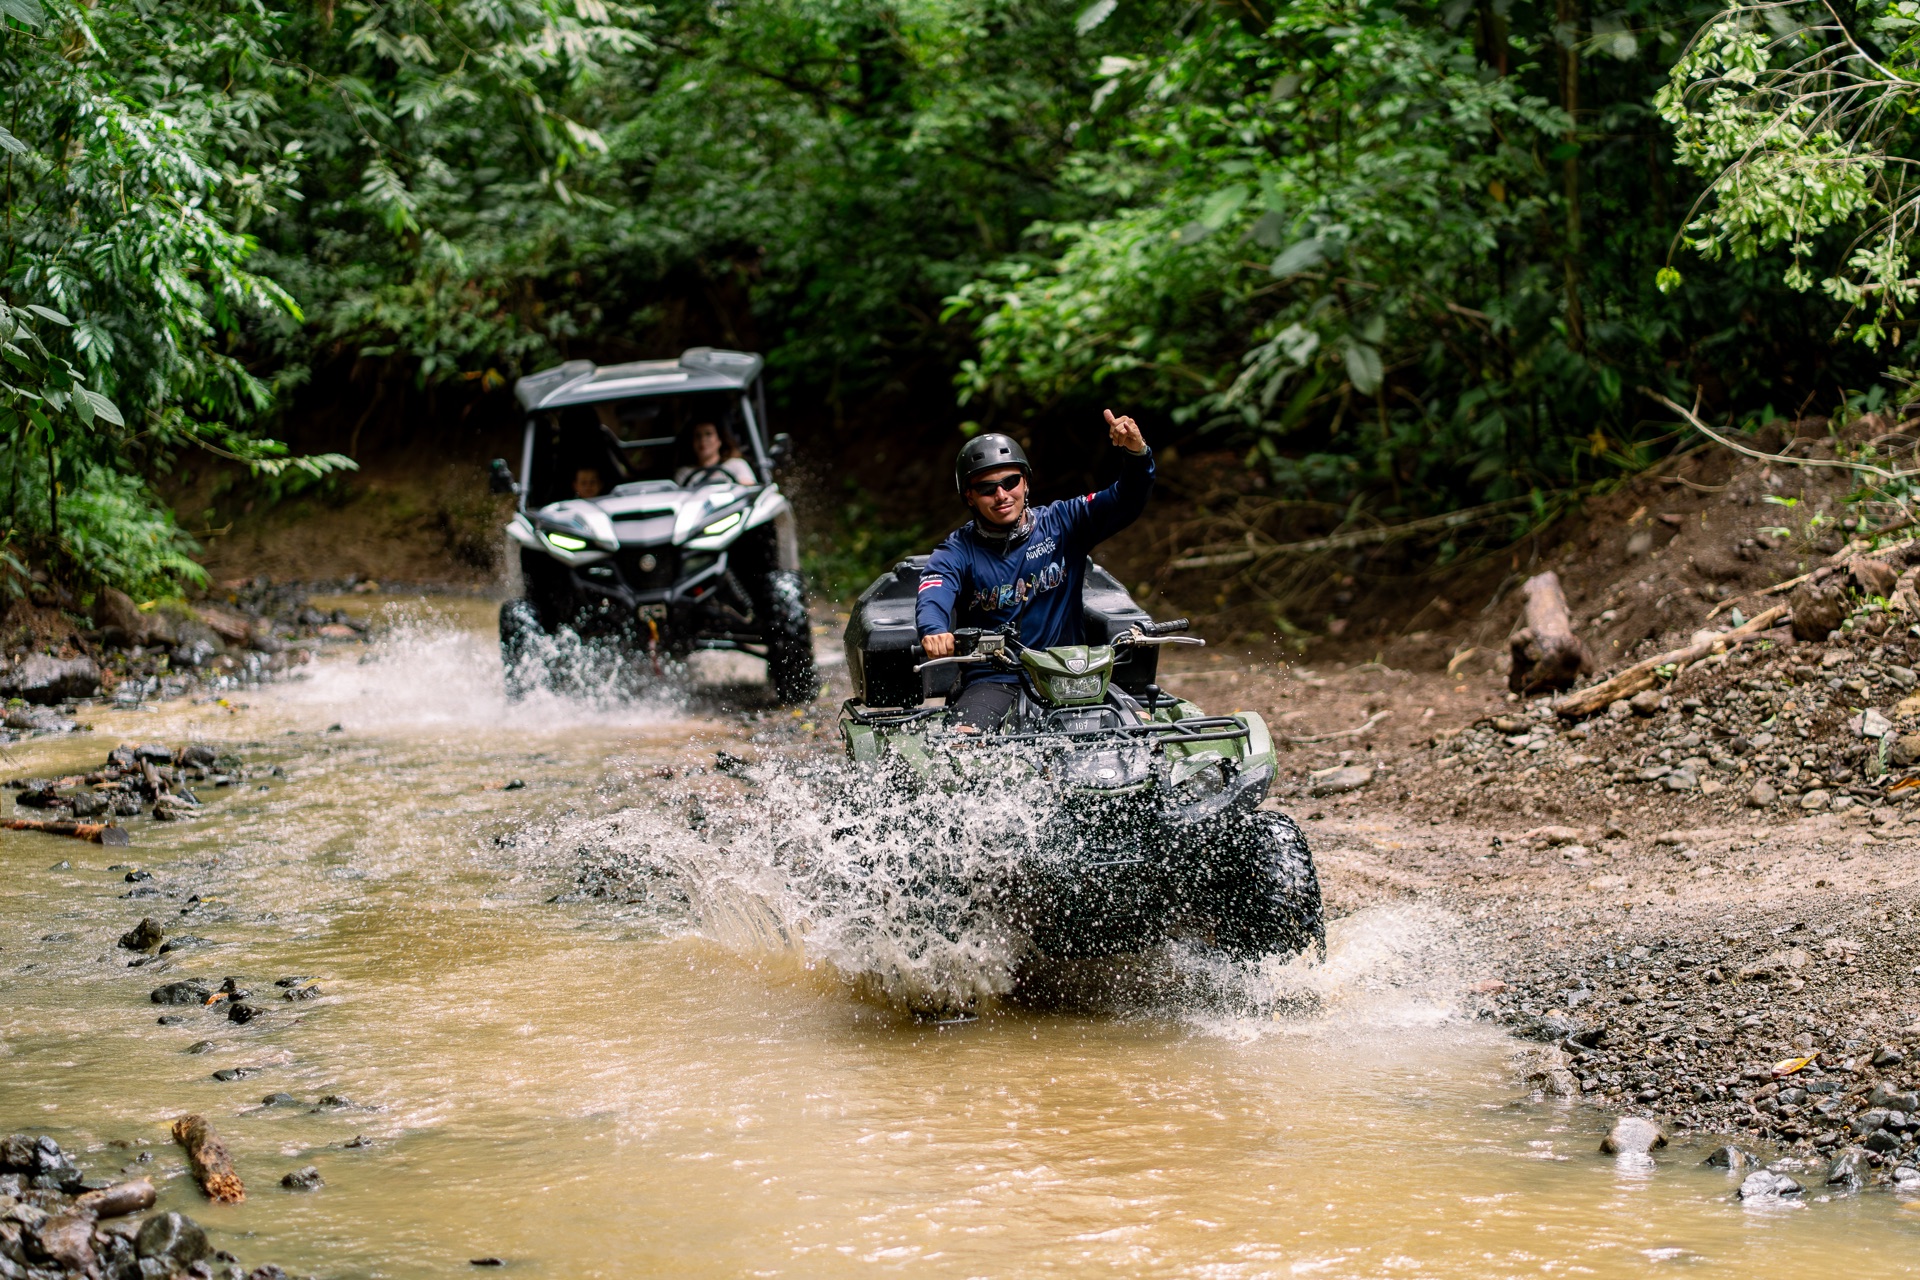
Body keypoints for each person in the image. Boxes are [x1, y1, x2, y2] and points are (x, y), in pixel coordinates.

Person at [916, 410, 1154, 732]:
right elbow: (934, 590)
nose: (1001, 495)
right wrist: (933, 629)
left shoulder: (1064, 521)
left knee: (1143, 734)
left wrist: (1136, 454)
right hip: (996, 679)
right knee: (963, 744)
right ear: (969, 496)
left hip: (1072, 675)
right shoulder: (956, 551)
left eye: (1010, 482)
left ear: (1026, 482)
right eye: (987, 488)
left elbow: (1126, 498)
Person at [674, 420, 757, 487]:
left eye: (708, 434)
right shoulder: (684, 473)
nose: (703, 440)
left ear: (719, 440)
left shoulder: (736, 465)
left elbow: (748, 490)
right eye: (698, 436)